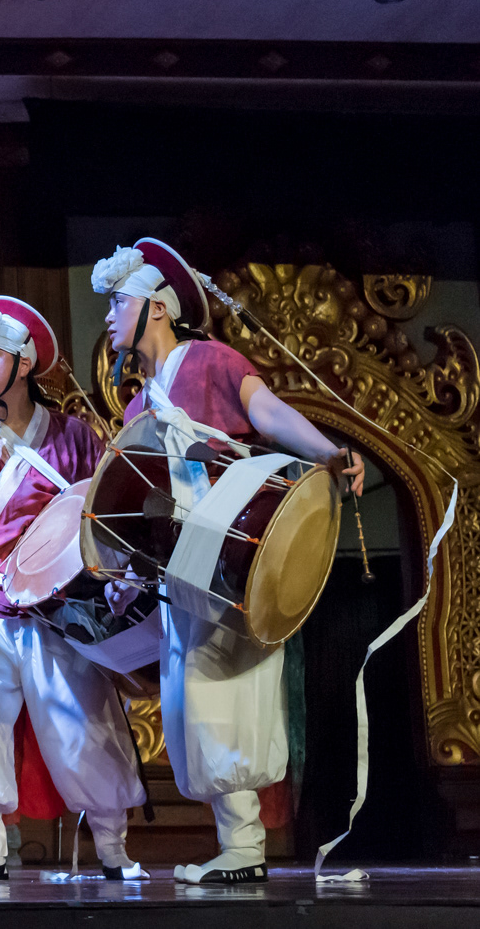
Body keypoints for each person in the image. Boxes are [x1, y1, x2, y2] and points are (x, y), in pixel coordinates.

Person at [93, 239, 362, 884]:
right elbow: (144, 504)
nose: (107, 316)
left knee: (223, 694)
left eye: (118, 302)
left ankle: (245, 847)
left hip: (230, 552)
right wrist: (128, 573)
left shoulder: (212, 360)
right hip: (181, 568)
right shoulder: (137, 406)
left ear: (158, 307)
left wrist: (327, 452)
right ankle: (236, 843)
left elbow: (264, 410)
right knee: (191, 699)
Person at [0, 296, 148, 883]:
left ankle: (114, 850)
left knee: (81, 726)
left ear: (23, 364)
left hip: (57, 608)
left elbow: (102, 517)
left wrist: (115, 577)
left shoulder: (75, 437)